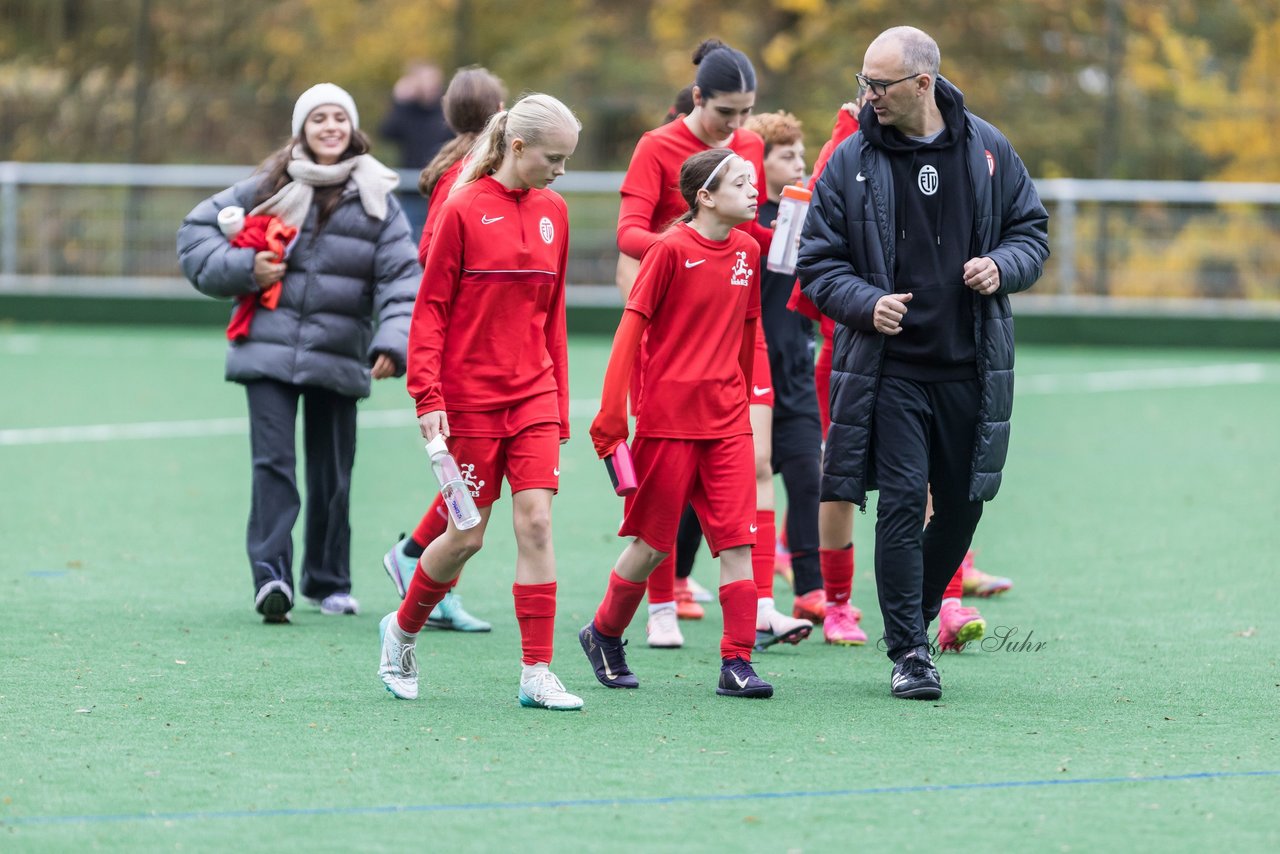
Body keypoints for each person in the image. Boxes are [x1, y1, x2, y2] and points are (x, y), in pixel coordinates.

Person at [796, 27, 1049, 699]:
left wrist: (1002, 266)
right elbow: (818, 264)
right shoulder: (847, 161)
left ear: (923, 84)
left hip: (970, 367)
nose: (867, 95)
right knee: (904, 502)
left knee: (965, 504)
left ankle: (920, 606)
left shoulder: (989, 149)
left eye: (879, 85)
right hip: (890, 371)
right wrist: (864, 302)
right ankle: (909, 650)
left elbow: (1032, 232)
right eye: (864, 82)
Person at [178, 83, 419, 624]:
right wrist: (247, 269)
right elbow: (194, 237)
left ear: (352, 129)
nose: (329, 126)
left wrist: (392, 341)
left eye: (339, 117)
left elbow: (404, 278)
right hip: (266, 350)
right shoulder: (265, 185)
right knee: (273, 468)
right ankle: (271, 579)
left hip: (340, 353)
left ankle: (328, 582)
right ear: (302, 130)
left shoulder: (378, 195)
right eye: (318, 119)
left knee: (333, 474)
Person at [377, 93, 585, 711]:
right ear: (517, 148)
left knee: (538, 522)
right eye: (555, 157)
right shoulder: (463, 208)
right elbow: (431, 309)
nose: (562, 170)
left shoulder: (556, 211)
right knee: (466, 534)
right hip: (469, 399)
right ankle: (402, 630)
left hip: (534, 396)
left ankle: (537, 673)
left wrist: (560, 402)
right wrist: (427, 395)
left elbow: (553, 316)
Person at [613, 38, 809, 651]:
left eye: (747, 112)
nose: (740, 127)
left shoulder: (746, 145)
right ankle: (660, 605)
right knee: (665, 491)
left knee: (754, 462)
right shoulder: (657, 146)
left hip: (737, 327)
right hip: (675, 330)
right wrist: (689, 252)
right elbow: (627, 234)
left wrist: (780, 237)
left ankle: (759, 612)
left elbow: (746, 228)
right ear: (697, 98)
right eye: (727, 112)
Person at [582, 148, 773, 699]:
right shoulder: (668, 251)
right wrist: (612, 416)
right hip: (667, 424)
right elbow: (630, 330)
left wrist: (741, 399)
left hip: (727, 424)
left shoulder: (747, 251)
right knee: (652, 545)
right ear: (705, 197)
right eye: (741, 182)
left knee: (739, 540)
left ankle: (737, 662)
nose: (753, 189)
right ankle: (603, 632)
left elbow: (746, 332)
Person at [381, 65, 506, 633]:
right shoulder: (466, 174)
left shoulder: (478, 166)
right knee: (473, 478)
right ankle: (416, 562)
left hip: (487, 346)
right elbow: (432, 252)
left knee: (478, 477)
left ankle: (418, 562)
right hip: (463, 347)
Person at [741, 110, 830, 646]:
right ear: (761, 161)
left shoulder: (805, 213)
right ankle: (674, 579)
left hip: (795, 368)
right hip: (751, 372)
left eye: (801, 155)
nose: (797, 163)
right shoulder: (747, 216)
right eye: (787, 155)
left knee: (807, 477)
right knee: (712, 494)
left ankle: (810, 590)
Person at [380, 61, 455, 238]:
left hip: (442, 190)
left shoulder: (448, 111)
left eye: (434, 80)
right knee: (409, 239)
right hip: (411, 191)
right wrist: (399, 101)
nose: (431, 85)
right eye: (425, 80)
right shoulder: (407, 111)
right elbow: (387, 132)